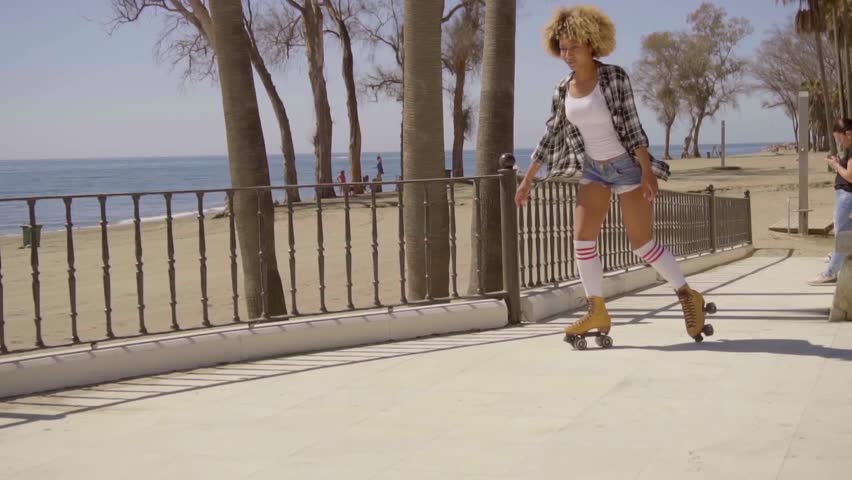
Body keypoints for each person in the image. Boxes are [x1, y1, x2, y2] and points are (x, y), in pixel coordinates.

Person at [515, 5, 712, 343]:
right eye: (562, 48)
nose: (567, 54)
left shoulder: (614, 77)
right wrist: (528, 177)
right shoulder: (562, 88)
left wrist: (647, 172)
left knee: (642, 244)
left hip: (626, 167)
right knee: (582, 239)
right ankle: (597, 308)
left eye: (573, 47)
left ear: (592, 44)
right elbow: (550, 134)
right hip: (593, 168)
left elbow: (634, 128)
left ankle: (686, 294)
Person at [809, 118, 852, 285]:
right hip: (844, 195)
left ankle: (830, 272)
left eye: (839, 138)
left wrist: (835, 165)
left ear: (847, 134)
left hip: (847, 196)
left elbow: (849, 176)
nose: (839, 142)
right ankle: (835, 258)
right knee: (842, 233)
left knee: (842, 234)